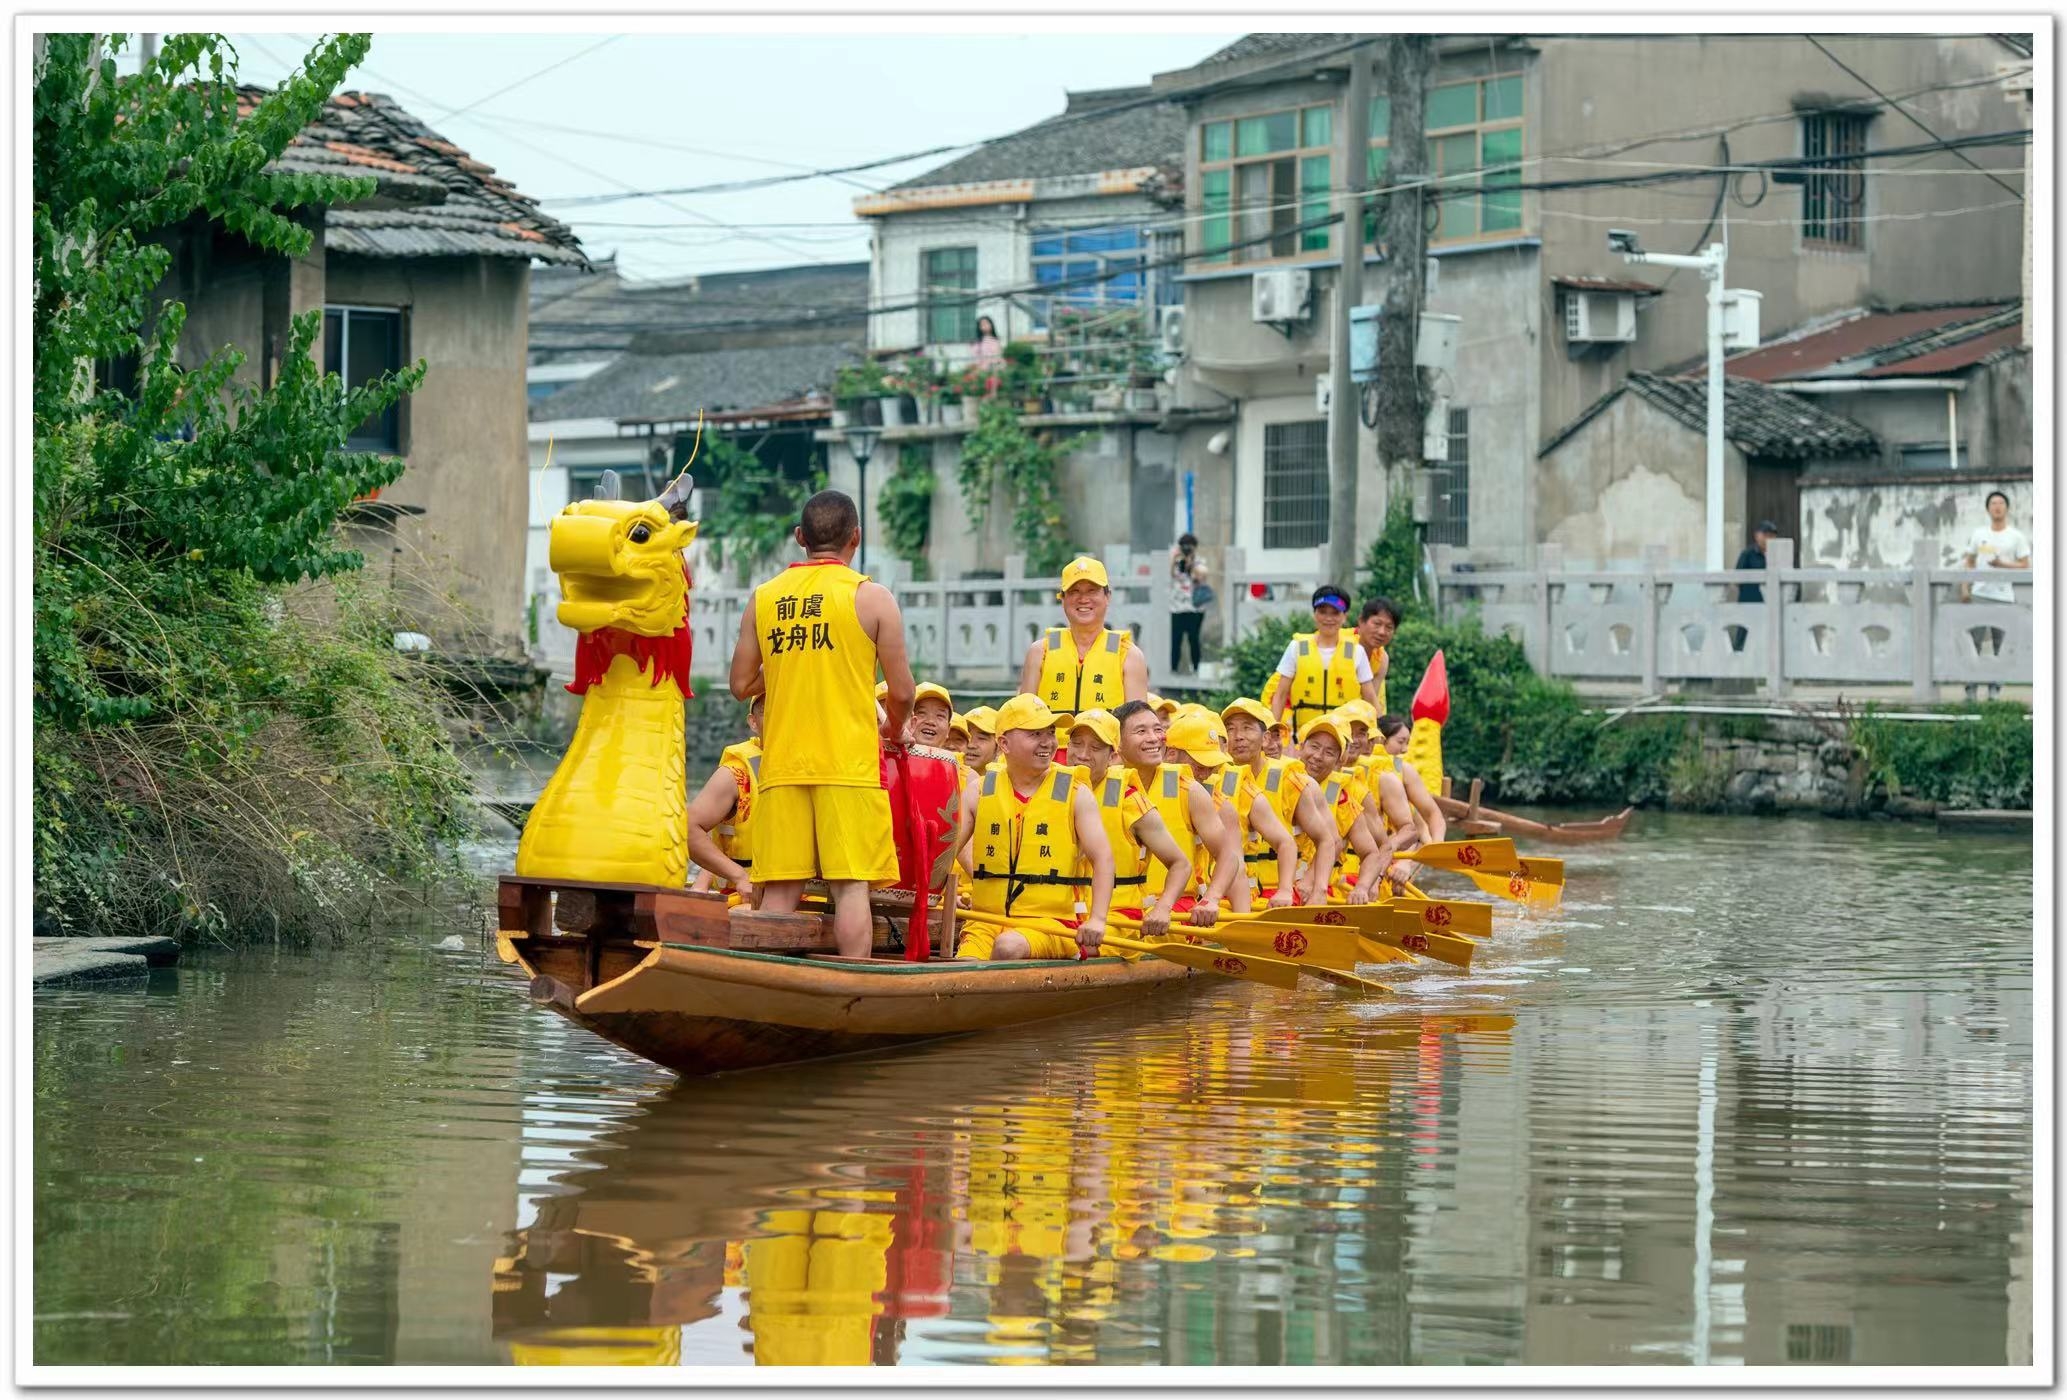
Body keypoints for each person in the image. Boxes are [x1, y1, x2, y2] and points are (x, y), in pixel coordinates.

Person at [730, 489, 913, 960]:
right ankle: (853, 984)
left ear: (800, 537)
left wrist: (790, 661)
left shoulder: (764, 598)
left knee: (780, 888)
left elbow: (740, 684)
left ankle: (768, 981)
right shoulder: (872, 598)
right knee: (850, 885)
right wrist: (895, 728)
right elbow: (902, 692)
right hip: (848, 765)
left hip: (783, 763)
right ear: (856, 537)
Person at [952, 695, 1112, 961]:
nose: (1047, 742)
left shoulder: (1076, 793)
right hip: (986, 921)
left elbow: (1103, 858)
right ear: (1004, 743)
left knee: (1008, 947)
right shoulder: (978, 791)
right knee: (964, 967)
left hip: (1052, 924)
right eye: (1035, 733)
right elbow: (947, 853)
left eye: (1050, 732)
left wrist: (1097, 919)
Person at [1068, 709, 1192, 941]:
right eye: (1076, 744)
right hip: (1065, 915)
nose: (1083, 755)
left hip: (1119, 916)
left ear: (1113, 756)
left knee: (1078, 946)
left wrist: (1163, 908)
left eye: (1095, 747)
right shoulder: (1052, 788)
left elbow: (1181, 864)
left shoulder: (1130, 800)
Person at [1113, 699, 1236, 925]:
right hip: (1120, 911)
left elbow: (1228, 855)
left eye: (1157, 729)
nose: (1154, 738)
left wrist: (1211, 899)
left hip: (1176, 913)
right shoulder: (1104, 787)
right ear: (1117, 743)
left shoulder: (1189, 790)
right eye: (1141, 731)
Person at [1220, 697, 1335, 906]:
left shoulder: (1291, 780)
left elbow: (1326, 840)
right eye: (1230, 729)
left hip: (1278, 895)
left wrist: (1318, 889)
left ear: (1265, 739)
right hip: (1229, 895)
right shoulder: (1215, 777)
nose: (1238, 736)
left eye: (1247, 728)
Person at [1019, 555, 1150, 720]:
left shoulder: (1129, 655)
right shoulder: (1039, 652)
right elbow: (1023, 721)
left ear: (1107, 596)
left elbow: (1137, 725)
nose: (1083, 599)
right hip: (1052, 738)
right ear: (1062, 598)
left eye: (1092, 590)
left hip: (1106, 739)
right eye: (1074, 591)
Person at [1157, 710, 1259, 914]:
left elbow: (1235, 867)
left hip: (1178, 911)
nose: (1205, 774)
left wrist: (1240, 921)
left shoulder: (1217, 802)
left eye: (1211, 766)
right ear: (1171, 754)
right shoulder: (1128, 786)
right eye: (1198, 765)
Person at [1294, 714, 1388, 904]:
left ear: (1340, 761)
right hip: (1274, 890)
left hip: (1324, 892)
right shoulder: (1280, 781)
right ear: (1301, 747)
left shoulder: (1343, 799)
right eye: (1314, 747)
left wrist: (1362, 887)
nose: (1318, 756)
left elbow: (1374, 852)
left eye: (1329, 752)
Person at [1265, 584, 1377, 731]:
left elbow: (1370, 699)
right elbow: (1280, 695)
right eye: (1322, 612)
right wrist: (1271, 731)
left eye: (1335, 613)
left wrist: (1377, 734)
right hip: (1305, 737)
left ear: (1344, 616)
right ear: (1314, 614)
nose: (1328, 618)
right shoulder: (1296, 647)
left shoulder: (1356, 651)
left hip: (1346, 737)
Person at [686, 697, 763, 899]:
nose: (779, 716)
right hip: (748, 896)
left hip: (815, 896)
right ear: (753, 722)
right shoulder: (736, 774)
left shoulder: (824, 766)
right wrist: (739, 877)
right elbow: (689, 828)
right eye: (767, 711)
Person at [1963, 489, 2030, 700]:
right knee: (1972, 643)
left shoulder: (2016, 536)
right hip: (1979, 594)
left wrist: (2002, 565)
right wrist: (1965, 587)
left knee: (2000, 645)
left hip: (2004, 597)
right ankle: (1971, 689)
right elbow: (1969, 561)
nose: (1997, 506)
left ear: (2007, 508)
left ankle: (1995, 690)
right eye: (1993, 503)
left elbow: (2025, 564)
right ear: (1988, 509)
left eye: (2001, 503)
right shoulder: (1979, 534)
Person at [1168, 533, 1208, 676]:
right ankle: (1173, 669)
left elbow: (1201, 576)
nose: (1186, 549)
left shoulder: (1200, 562)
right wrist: (1174, 559)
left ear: (1194, 547)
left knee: (1193, 639)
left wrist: (1191, 562)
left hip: (1195, 608)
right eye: (1183, 546)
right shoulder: (1176, 562)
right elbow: (1171, 575)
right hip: (1177, 607)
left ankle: (1196, 668)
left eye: (1188, 546)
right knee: (1176, 639)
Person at [1353, 599, 1399, 713]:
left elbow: (1370, 704)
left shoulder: (1382, 658)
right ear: (1361, 621)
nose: (1382, 632)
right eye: (1377, 624)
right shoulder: (1345, 646)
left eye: (1389, 627)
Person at [1734, 521, 1778, 604]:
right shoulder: (1747, 554)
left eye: (1772, 536)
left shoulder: (1778, 555)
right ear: (1756, 536)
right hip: (1749, 601)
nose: (1768, 539)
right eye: (1765, 535)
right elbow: (1737, 579)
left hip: (1771, 602)